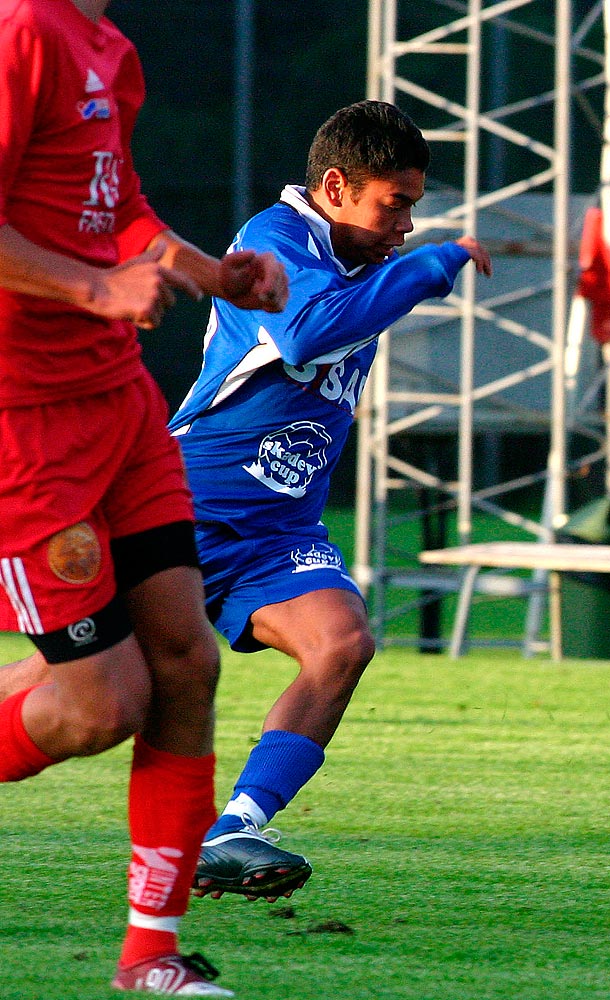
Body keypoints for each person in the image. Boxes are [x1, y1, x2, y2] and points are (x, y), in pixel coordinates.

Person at [0, 0, 288, 994]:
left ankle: (150, 957)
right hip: (24, 422)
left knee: (185, 662)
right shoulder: (22, 30)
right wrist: (94, 291)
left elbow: (117, 210)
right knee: (93, 704)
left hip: (118, 402)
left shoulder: (107, 44)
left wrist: (217, 277)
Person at [166, 100, 491, 904]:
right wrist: (426, 267)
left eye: (415, 205)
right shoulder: (270, 240)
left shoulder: (359, 261)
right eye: (396, 202)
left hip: (279, 531)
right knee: (96, 686)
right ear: (337, 186)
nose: (406, 224)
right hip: (188, 505)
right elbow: (307, 332)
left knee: (342, 643)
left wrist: (402, 268)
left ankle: (233, 828)